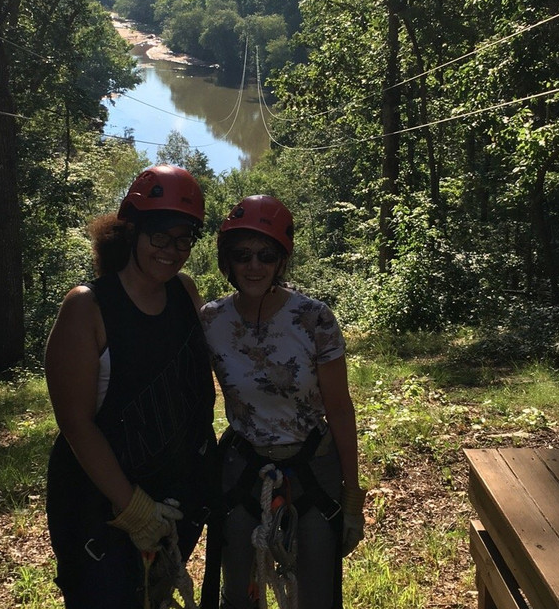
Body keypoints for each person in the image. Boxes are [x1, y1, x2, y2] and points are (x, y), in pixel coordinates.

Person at [44, 164, 217, 609]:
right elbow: (76, 423)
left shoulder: (185, 291)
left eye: (184, 238)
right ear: (130, 231)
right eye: (160, 236)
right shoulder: (88, 307)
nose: (172, 250)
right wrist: (132, 506)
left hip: (173, 499)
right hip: (98, 509)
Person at [200, 195, 366, 609]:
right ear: (227, 261)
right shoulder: (211, 321)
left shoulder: (313, 319)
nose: (253, 265)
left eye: (265, 254)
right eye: (242, 255)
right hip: (243, 466)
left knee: (316, 592)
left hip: (311, 463)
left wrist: (351, 495)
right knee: (237, 592)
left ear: (281, 260)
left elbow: (340, 408)